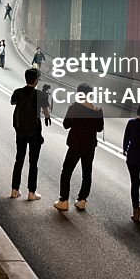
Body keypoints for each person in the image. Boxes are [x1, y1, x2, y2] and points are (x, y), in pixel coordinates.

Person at [54, 83, 104, 212]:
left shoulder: (74, 108)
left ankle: (63, 201)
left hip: (75, 145)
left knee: (66, 172)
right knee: (87, 173)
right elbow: (99, 128)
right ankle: (82, 200)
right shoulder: (98, 110)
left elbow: (66, 124)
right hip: (90, 146)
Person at [11, 68, 51, 200]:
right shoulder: (40, 95)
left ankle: (14, 190)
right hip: (35, 132)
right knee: (33, 162)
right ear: (36, 80)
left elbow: (13, 102)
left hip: (20, 130)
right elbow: (46, 112)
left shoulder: (18, 92)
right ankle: (31, 193)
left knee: (19, 159)